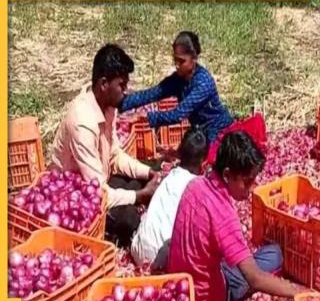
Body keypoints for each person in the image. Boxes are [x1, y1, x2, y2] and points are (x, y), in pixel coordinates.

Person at [167, 131, 302, 301]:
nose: (251, 188)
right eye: (247, 182)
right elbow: (255, 278)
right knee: (274, 255)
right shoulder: (223, 213)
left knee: (233, 259)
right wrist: (301, 292)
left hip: (182, 290)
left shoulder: (194, 185)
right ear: (227, 175)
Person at [50, 43, 161, 248]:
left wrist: (149, 173)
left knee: (152, 169)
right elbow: (98, 192)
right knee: (129, 221)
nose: (125, 91)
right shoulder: (82, 123)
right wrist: (139, 196)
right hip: (78, 197)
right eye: (122, 85)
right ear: (103, 84)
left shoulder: (108, 105)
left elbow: (115, 155)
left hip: (101, 177)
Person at [118, 31, 267, 165]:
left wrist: (144, 116)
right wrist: (121, 102)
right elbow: (154, 93)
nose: (177, 65)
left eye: (181, 61)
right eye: (175, 60)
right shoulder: (179, 79)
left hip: (218, 132)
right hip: (200, 132)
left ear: (194, 59)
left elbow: (179, 114)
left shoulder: (203, 82)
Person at [131, 127, 208, 271]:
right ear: (203, 162)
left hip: (138, 249)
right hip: (159, 260)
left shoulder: (169, 177)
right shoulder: (197, 187)